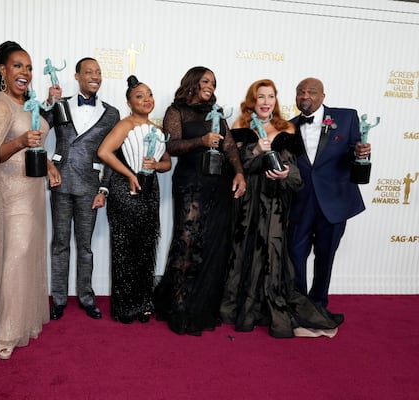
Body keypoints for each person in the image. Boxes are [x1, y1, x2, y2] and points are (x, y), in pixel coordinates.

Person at [0, 41, 60, 360]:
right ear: (3, 70)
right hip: (10, 192)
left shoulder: (28, 104)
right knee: (14, 257)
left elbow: (37, 144)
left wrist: (49, 165)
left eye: (29, 67)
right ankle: (4, 331)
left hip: (32, 191)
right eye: (18, 66)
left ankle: (14, 317)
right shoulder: (1, 104)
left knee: (24, 255)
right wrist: (18, 141)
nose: (26, 73)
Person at [219, 79, 341, 338]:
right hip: (246, 202)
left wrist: (285, 173)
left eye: (270, 97)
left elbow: (296, 175)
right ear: (253, 101)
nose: (265, 102)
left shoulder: (286, 129)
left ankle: (270, 306)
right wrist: (255, 149)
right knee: (243, 250)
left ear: (276, 100)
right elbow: (233, 167)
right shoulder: (240, 127)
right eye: (260, 97)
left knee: (272, 251)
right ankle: (241, 308)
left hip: (274, 202)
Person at [152, 66, 246, 336]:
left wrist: (239, 173)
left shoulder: (215, 112)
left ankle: (204, 304)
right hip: (191, 183)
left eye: (214, 83)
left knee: (214, 245)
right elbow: (172, 146)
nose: (211, 86)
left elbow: (228, 145)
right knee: (187, 242)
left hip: (219, 184)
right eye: (206, 81)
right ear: (192, 82)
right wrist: (202, 140)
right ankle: (179, 306)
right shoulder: (176, 111)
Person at [43, 57, 120, 320]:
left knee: (85, 246)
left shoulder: (111, 113)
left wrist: (104, 189)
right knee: (60, 244)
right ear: (77, 76)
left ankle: (87, 297)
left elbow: (113, 156)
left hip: (90, 186)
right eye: (89, 72)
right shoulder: (60, 105)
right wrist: (48, 103)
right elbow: (37, 127)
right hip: (60, 182)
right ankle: (59, 298)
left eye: (98, 72)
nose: (95, 76)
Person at [288, 77, 370, 317]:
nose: (305, 96)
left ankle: (319, 302)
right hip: (300, 201)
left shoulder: (346, 118)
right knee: (295, 253)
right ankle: (298, 302)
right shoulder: (288, 126)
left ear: (323, 96)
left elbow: (353, 151)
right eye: (300, 92)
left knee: (325, 254)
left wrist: (360, 152)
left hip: (333, 200)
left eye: (312, 92)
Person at [97, 75, 172, 324]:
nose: (146, 99)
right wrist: (129, 174)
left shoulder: (159, 130)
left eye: (149, 94)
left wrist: (157, 164)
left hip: (150, 190)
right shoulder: (125, 125)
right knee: (125, 248)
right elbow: (104, 152)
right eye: (139, 96)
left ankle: (143, 302)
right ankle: (125, 306)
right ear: (129, 103)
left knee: (146, 246)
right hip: (125, 188)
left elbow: (167, 164)